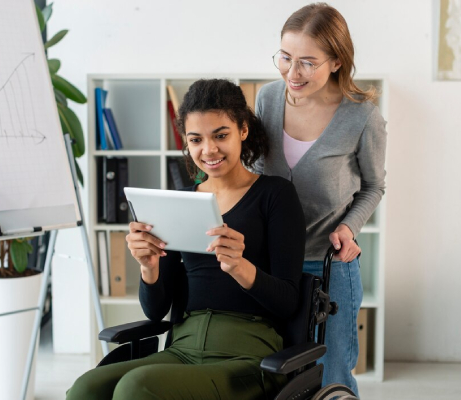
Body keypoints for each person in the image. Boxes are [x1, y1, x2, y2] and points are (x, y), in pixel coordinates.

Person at [66, 79, 306, 400]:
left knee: (136, 388)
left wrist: (239, 267)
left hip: (247, 355)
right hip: (183, 347)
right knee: (86, 389)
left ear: (243, 130)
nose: (208, 150)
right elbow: (156, 312)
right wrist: (148, 267)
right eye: (196, 139)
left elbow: (289, 302)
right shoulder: (180, 202)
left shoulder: (274, 195)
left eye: (221, 135)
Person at [254, 3, 387, 397]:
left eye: (307, 62)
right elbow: (258, 177)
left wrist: (349, 226)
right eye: (286, 57)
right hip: (273, 264)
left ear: (335, 61)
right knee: (277, 374)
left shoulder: (362, 116)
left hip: (331, 266)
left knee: (332, 375)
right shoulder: (267, 100)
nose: (292, 73)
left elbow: (373, 186)